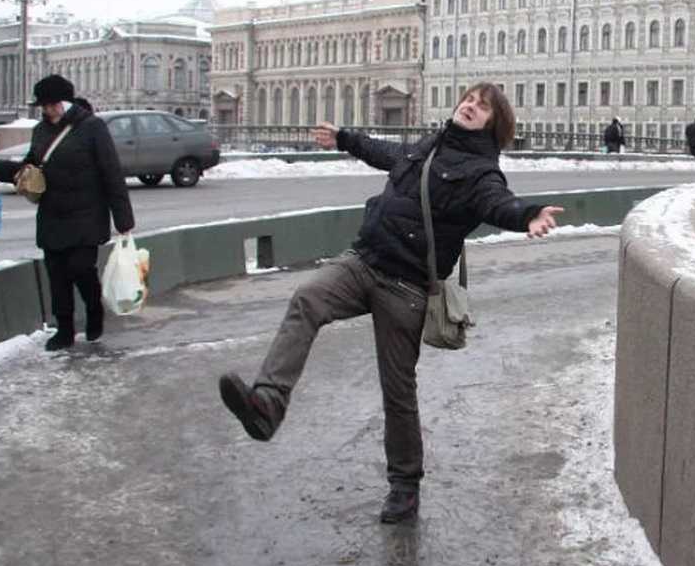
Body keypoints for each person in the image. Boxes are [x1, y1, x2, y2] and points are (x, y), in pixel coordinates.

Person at [218, 82, 564, 524]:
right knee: (308, 297)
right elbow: (388, 154)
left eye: (482, 107)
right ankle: (267, 405)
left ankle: (405, 484)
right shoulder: (431, 144)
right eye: (469, 100)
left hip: (406, 288)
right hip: (364, 261)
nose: (470, 107)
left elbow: (499, 203)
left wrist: (528, 214)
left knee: (397, 389)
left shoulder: (482, 172)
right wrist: (345, 139)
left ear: (495, 124)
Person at [0, 74, 135, 351]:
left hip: (87, 213)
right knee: (57, 274)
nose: (48, 110)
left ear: (66, 102)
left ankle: (93, 310)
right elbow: (28, 169)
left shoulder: (93, 128)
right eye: (44, 106)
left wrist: (123, 219)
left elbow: (112, 173)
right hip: (52, 214)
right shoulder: (41, 131)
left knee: (80, 268)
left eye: (52, 104)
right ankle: (64, 329)